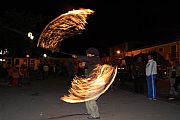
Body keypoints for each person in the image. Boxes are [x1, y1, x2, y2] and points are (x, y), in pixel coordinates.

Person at [72, 47, 101, 119]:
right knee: (87, 97)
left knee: (91, 99)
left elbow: (85, 58)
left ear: (92, 54)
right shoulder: (91, 61)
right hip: (91, 81)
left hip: (96, 83)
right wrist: (82, 63)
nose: (87, 54)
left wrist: (77, 56)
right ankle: (90, 112)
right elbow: (82, 65)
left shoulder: (96, 59)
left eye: (88, 53)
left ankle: (95, 115)